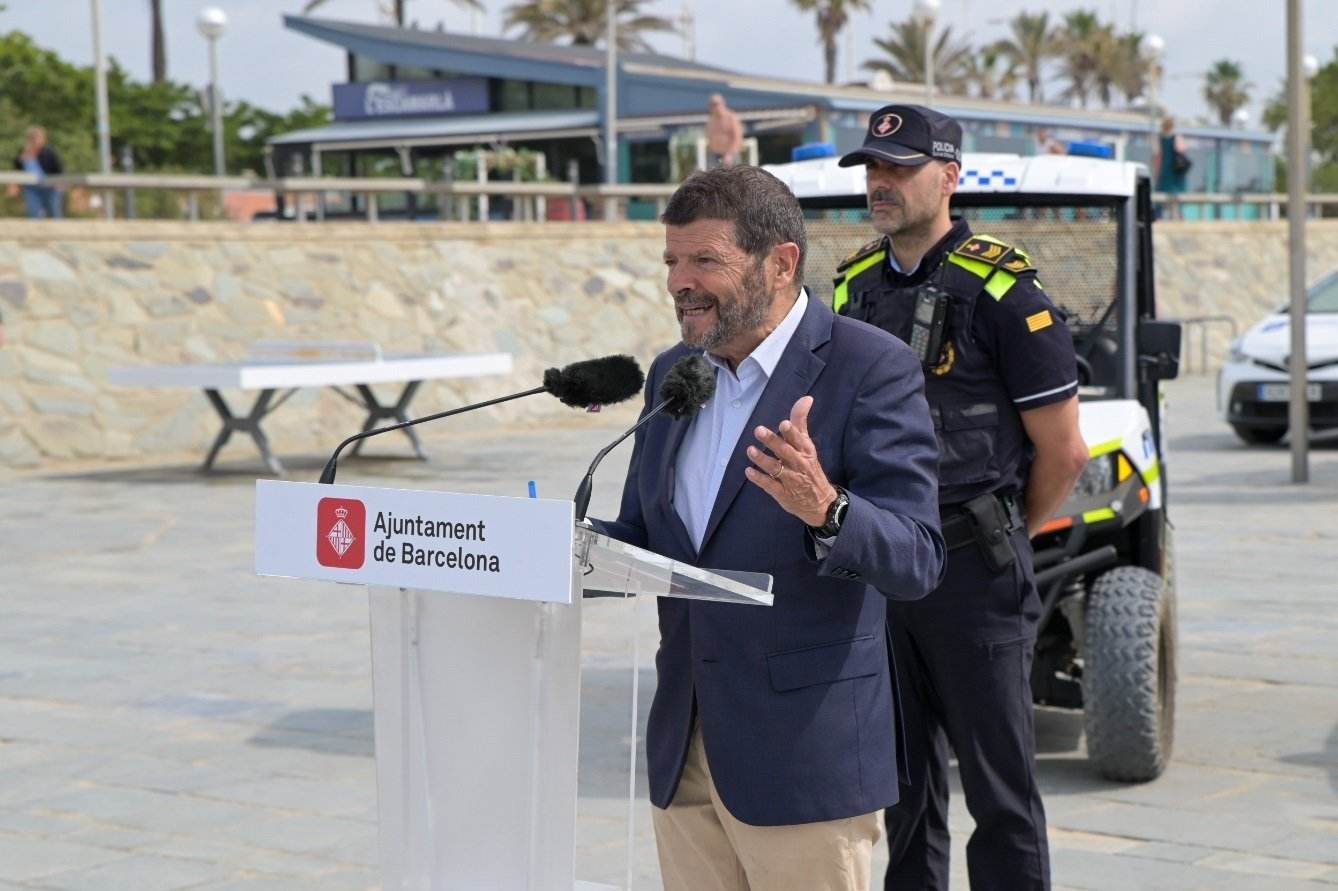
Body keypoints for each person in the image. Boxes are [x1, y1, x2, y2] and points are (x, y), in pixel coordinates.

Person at [594, 164, 945, 891]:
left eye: (703, 260)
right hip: (685, 750)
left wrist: (830, 509)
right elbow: (643, 539)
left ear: (780, 263)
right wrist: (542, 547)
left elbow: (918, 557)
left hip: (802, 761)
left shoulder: (868, 368)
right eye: (670, 261)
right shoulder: (672, 375)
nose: (678, 282)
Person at [830, 105, 1090, 891]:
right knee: (902, 793)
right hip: (885, 570)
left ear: (950, 176)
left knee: (1000, 794)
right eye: (873, 167)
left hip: (975, 567)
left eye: (899, 167)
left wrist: (1003, 530)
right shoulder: (853, 288)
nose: (881, 182)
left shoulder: (1005, 289)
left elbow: (1064, 451)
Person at [9, 127, 64, 219]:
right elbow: (17, 169)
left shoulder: (49, 153)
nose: (37, 141)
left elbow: (59, 170)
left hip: (50, 187)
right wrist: (15, 185)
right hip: (32, 189)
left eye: (40, 138)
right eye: (35, 138)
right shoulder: (24, 153)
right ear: (30, 139)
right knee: (33, 213)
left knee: (54, 211)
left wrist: (60, 185)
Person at [1152, 116, 1190, 219]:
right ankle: (1178, 216)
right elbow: (1183, 150)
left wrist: (1156, 172)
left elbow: (1156, 156)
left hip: (1164, 170)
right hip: (1176, 171)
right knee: (1177, 196)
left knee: (1160, 195)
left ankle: (1159, 216)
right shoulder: (1177, 137)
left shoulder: (1159, 138)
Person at [705, 93, 744, 168]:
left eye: (716, 104)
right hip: (715, 155)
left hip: (730, 155)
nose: (714, 107)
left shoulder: (731, 117)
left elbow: (737, 137)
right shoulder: (711, 119)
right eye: (711, 105)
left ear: (723, 103)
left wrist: (730, 154)